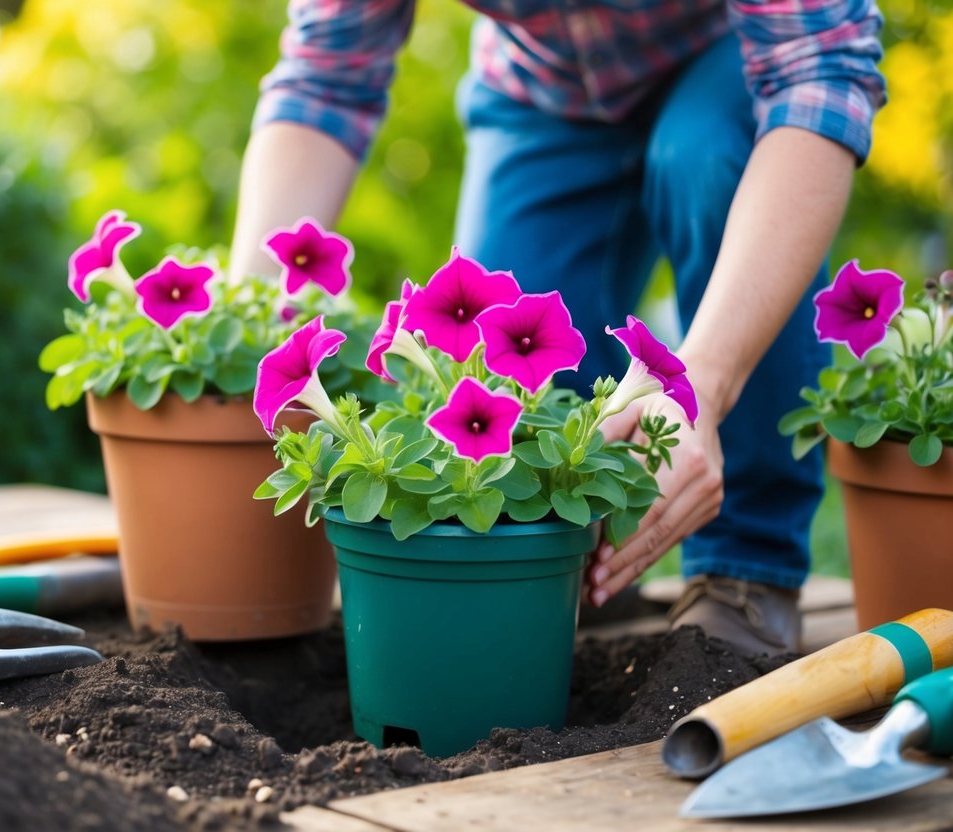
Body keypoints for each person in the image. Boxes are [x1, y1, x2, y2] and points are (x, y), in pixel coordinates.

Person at [228, 1, 886, 656]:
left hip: (733, 64)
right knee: (500, 370)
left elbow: (816, 75)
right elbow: (324, 77)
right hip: (542, 85)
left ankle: (745, 566)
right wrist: (250, 322)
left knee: (707, 153)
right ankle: (576, 562)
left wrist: (699, 385)